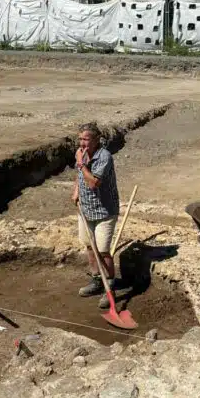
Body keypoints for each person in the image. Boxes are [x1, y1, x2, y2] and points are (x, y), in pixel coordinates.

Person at [71, 123, 121, 309]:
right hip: (86, 209)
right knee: (89, 247)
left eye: (86, 139)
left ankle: (111, 287)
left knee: (102, 250)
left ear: (96, 139)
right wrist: (76, 190)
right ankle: (96, 281)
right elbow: (79, 175)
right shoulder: (81, 153)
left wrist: (81, 163)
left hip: (104, 211)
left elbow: (93, 183)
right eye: (80, 139)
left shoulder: (104, 157)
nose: (82, 143)